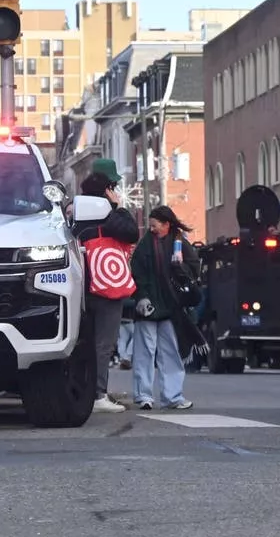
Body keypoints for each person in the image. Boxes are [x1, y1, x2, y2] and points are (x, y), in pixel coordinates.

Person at [73, 163, 140, 413]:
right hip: (107, 286)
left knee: (84, 342)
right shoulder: (109, 218)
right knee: (104, 343)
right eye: (112, 189)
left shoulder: (78, 219)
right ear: (107, 192)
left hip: (83, 289)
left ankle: (84, 391)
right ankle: (99, 394)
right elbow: (132, 233)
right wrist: (119, 208)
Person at [130, 205, 201, 410]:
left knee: (168, 352)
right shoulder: (145, 246)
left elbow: (194, 268)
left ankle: (171, 396)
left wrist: (180, 267)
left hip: (170, 307)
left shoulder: (180, 245)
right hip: (151, 307)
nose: (151, 229)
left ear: (166, 225)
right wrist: (141, 297)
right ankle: (146, 396)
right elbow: (137, 273)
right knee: (147, 353)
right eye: (150, 225)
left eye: (154, 225)